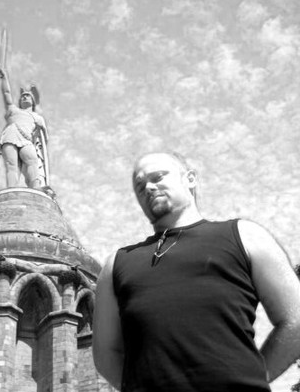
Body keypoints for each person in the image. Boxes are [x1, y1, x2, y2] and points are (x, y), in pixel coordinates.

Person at [93, 152, 300, 392]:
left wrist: (253, 377)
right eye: (140, 186)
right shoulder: (116, 264)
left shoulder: (245, 236)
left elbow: (296, 318)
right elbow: (106, 354)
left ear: (190, 179)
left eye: (157, 177)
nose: (148, 187)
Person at [0, 67, 48, 188]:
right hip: (11, 136)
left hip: (27, 140)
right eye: (23, 96)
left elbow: (44, 138)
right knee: (11, 165)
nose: (25, 97)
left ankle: (36, 189)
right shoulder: (13, 110)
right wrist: (4, 78)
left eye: (28, 96)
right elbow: (6, 93)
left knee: (32, 162)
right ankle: (11, 190)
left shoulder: (37, 117)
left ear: (33, 101)